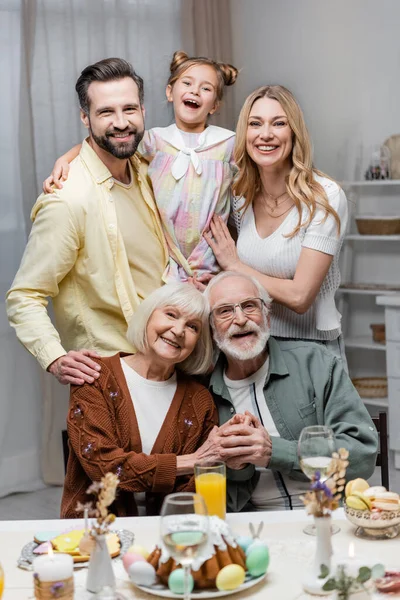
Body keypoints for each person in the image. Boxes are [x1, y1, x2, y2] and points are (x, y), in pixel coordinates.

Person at [7, 58, 169, 386]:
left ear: (143, 111)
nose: (122, 122)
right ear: (85, 117)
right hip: (111, 376)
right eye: (106, 112)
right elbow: (24, 296)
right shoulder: (67, 199)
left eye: (130, 109)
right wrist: (54, 356)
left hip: (170, 367)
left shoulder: (149, 169)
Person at [43, 51, 239, 284]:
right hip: (170, 259)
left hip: (213, 256)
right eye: (187, 83)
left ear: (215, 105)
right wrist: (64, 159)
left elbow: (250, 181)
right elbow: (105, 142)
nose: (195, 91)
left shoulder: (228, 143)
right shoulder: (155, 141)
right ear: (170, 92)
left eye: (206, 88)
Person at [204, 271, 378, 512]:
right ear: (211, 328)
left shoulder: (315, 363)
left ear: (267, 315)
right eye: (225, 311)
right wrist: (238, 466)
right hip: (253, 527)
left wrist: (275, 452)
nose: (241, 319)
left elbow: (362, 453)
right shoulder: (203, 394)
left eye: (249, 306)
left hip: (329, 515)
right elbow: (210, 492)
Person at [204, 85, 349, 362]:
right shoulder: (239, 195)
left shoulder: (325, 196)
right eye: (255, 124)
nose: (265, 134)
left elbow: (300, 296)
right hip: (252, 347)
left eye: (279, 123)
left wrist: (235, 266)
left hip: (313, 352)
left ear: (294, 132)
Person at [61, 283, 221, 518]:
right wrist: (191, 461)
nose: (178, 330)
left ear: (198, 342)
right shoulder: (94, 376)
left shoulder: (199, 400)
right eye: (170, 314)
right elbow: (104, 467)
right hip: (96, 534)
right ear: (147, 316)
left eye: (193, 327)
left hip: (170, 533)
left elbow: (193, 488)